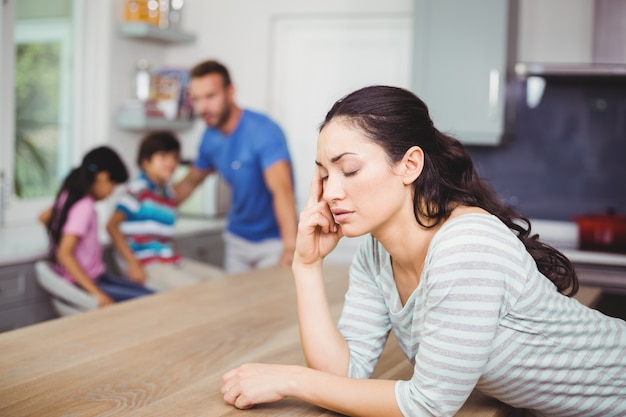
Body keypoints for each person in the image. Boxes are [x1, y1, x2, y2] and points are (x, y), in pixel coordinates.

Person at [220, 86, 626, 416]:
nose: (331, 192)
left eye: (350, 170)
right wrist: (306, 266)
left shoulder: (467, 246)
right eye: (324, 175)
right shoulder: (376, 253)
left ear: (410, 165)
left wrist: (291, 380)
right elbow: (345, 373)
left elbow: (429, 406)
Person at [175, 59, 297, 275]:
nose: (203, 107)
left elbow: (282, 190)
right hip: (236, 239)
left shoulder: (263, 131)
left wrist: (291, 246)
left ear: (230, 92)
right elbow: (191, 182)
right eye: (196, 99)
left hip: (273, 241)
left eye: (210, 96)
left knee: (268, 307)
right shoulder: (209, 138)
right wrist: (148, 207)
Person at [107, 130, 224, 291]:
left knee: (220, 279)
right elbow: (112, 226)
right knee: (197, 290)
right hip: (148, 265)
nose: (171, 163)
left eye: (175, 158)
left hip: (169, 260)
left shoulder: (167, 193)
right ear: (146, 161)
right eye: (163, 157)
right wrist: (132, 263)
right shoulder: (138, 190)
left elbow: (164, 234)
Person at [39, 146, 154, 307]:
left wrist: (59, 233)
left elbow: (43, 218)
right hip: (85, 282)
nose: (111, 192)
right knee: (152, 300)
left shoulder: (68, 196)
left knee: (149, 294)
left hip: (92, 276)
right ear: (102, 177)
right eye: (113, 185)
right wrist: (97, 293)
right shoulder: (84, 206)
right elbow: (64, 254)